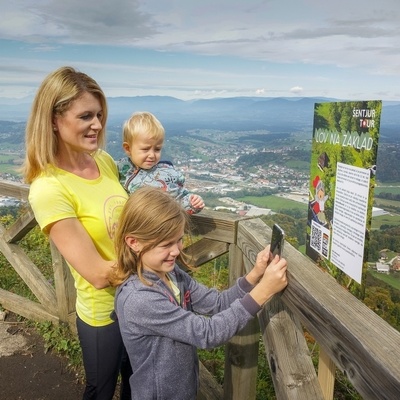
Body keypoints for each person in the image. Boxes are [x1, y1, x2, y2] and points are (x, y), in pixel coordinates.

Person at [110, 186, 288, 400]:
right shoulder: (140, 299)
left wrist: (255, 275)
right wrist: (263, 291)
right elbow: (207, 333)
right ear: (134, 242)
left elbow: (218, 303)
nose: (176, 251)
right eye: (166, 244)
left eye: (179, 239)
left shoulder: (172, 274)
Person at [22, 66, 132, 400]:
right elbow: (99, 275)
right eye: (85, 116)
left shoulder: (104, 162)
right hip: (104, 314)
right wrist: (165, 268)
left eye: (99, 114)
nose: (97, 125)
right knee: (100, 390)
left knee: (137, 384)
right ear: (54, 120)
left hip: (139, 301)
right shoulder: (49, 188)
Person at [116, 111, 204, 214]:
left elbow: (179, 199)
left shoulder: (166, 174)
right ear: (128, 148)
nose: (152, 155)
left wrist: (192, 203)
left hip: (158, 226)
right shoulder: (119, 168)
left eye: (157, 149)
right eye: (145, 149)